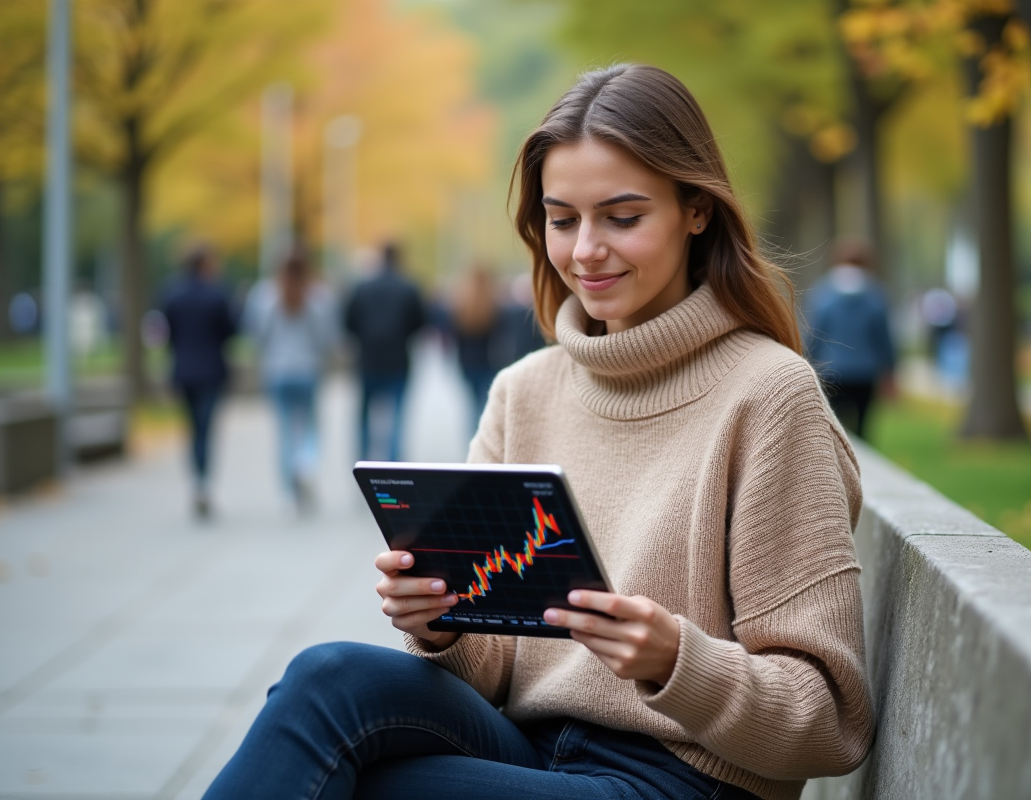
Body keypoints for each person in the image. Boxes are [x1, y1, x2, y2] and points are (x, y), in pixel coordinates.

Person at [204, 64, 873, 800]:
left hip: (682, 778)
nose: (586, 250)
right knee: (326, 679)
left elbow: (829, 721)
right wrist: (441, 624)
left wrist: (674, 659)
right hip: (530, 746)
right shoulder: (525, 391)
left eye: (622, 217)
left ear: (696, 211)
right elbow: (491, 666)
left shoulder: (768, 395)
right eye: (563, 219)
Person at [245, 251, 338, 511]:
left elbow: (257, 335)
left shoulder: (264, 295)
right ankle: (305, 465)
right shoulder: (319, 297)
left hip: (277, 370)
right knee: (311, 426)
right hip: (308, 369)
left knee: (284, 431)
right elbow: (327, 338)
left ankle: (289, 489)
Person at [159, 245, 238, 519]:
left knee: (192, 428)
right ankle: (203, 482)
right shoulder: (216, 294)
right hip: (211, 371)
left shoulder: (172, 294)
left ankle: (196, 479)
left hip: (183, 371)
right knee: (206, 428)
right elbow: (230, 330)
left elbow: (167, 333)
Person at [804, 240, 896, 439]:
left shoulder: (823, 293)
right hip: (865, 372)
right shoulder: (875, 295)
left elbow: (814, 334)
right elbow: (884, 338)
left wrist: (807, 361)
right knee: (863, 428)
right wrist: (890, 370)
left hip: (832, 370)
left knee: (835, 427)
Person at [344, 242, 426, 461]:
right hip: (398, 359)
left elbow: (349, 322)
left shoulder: (362, 287)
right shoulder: (408, 287)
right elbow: (419, 323)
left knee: (364, 414)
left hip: (368, 359)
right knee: (397, 414)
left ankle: (363, 458)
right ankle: (393, 462)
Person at [447, 265, 503, 426]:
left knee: (471, 405)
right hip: (488, 361)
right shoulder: (493, 306)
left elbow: (454, 338)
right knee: (485, 404)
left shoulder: (460, 307)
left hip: (466, 363)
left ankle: (473, 438)